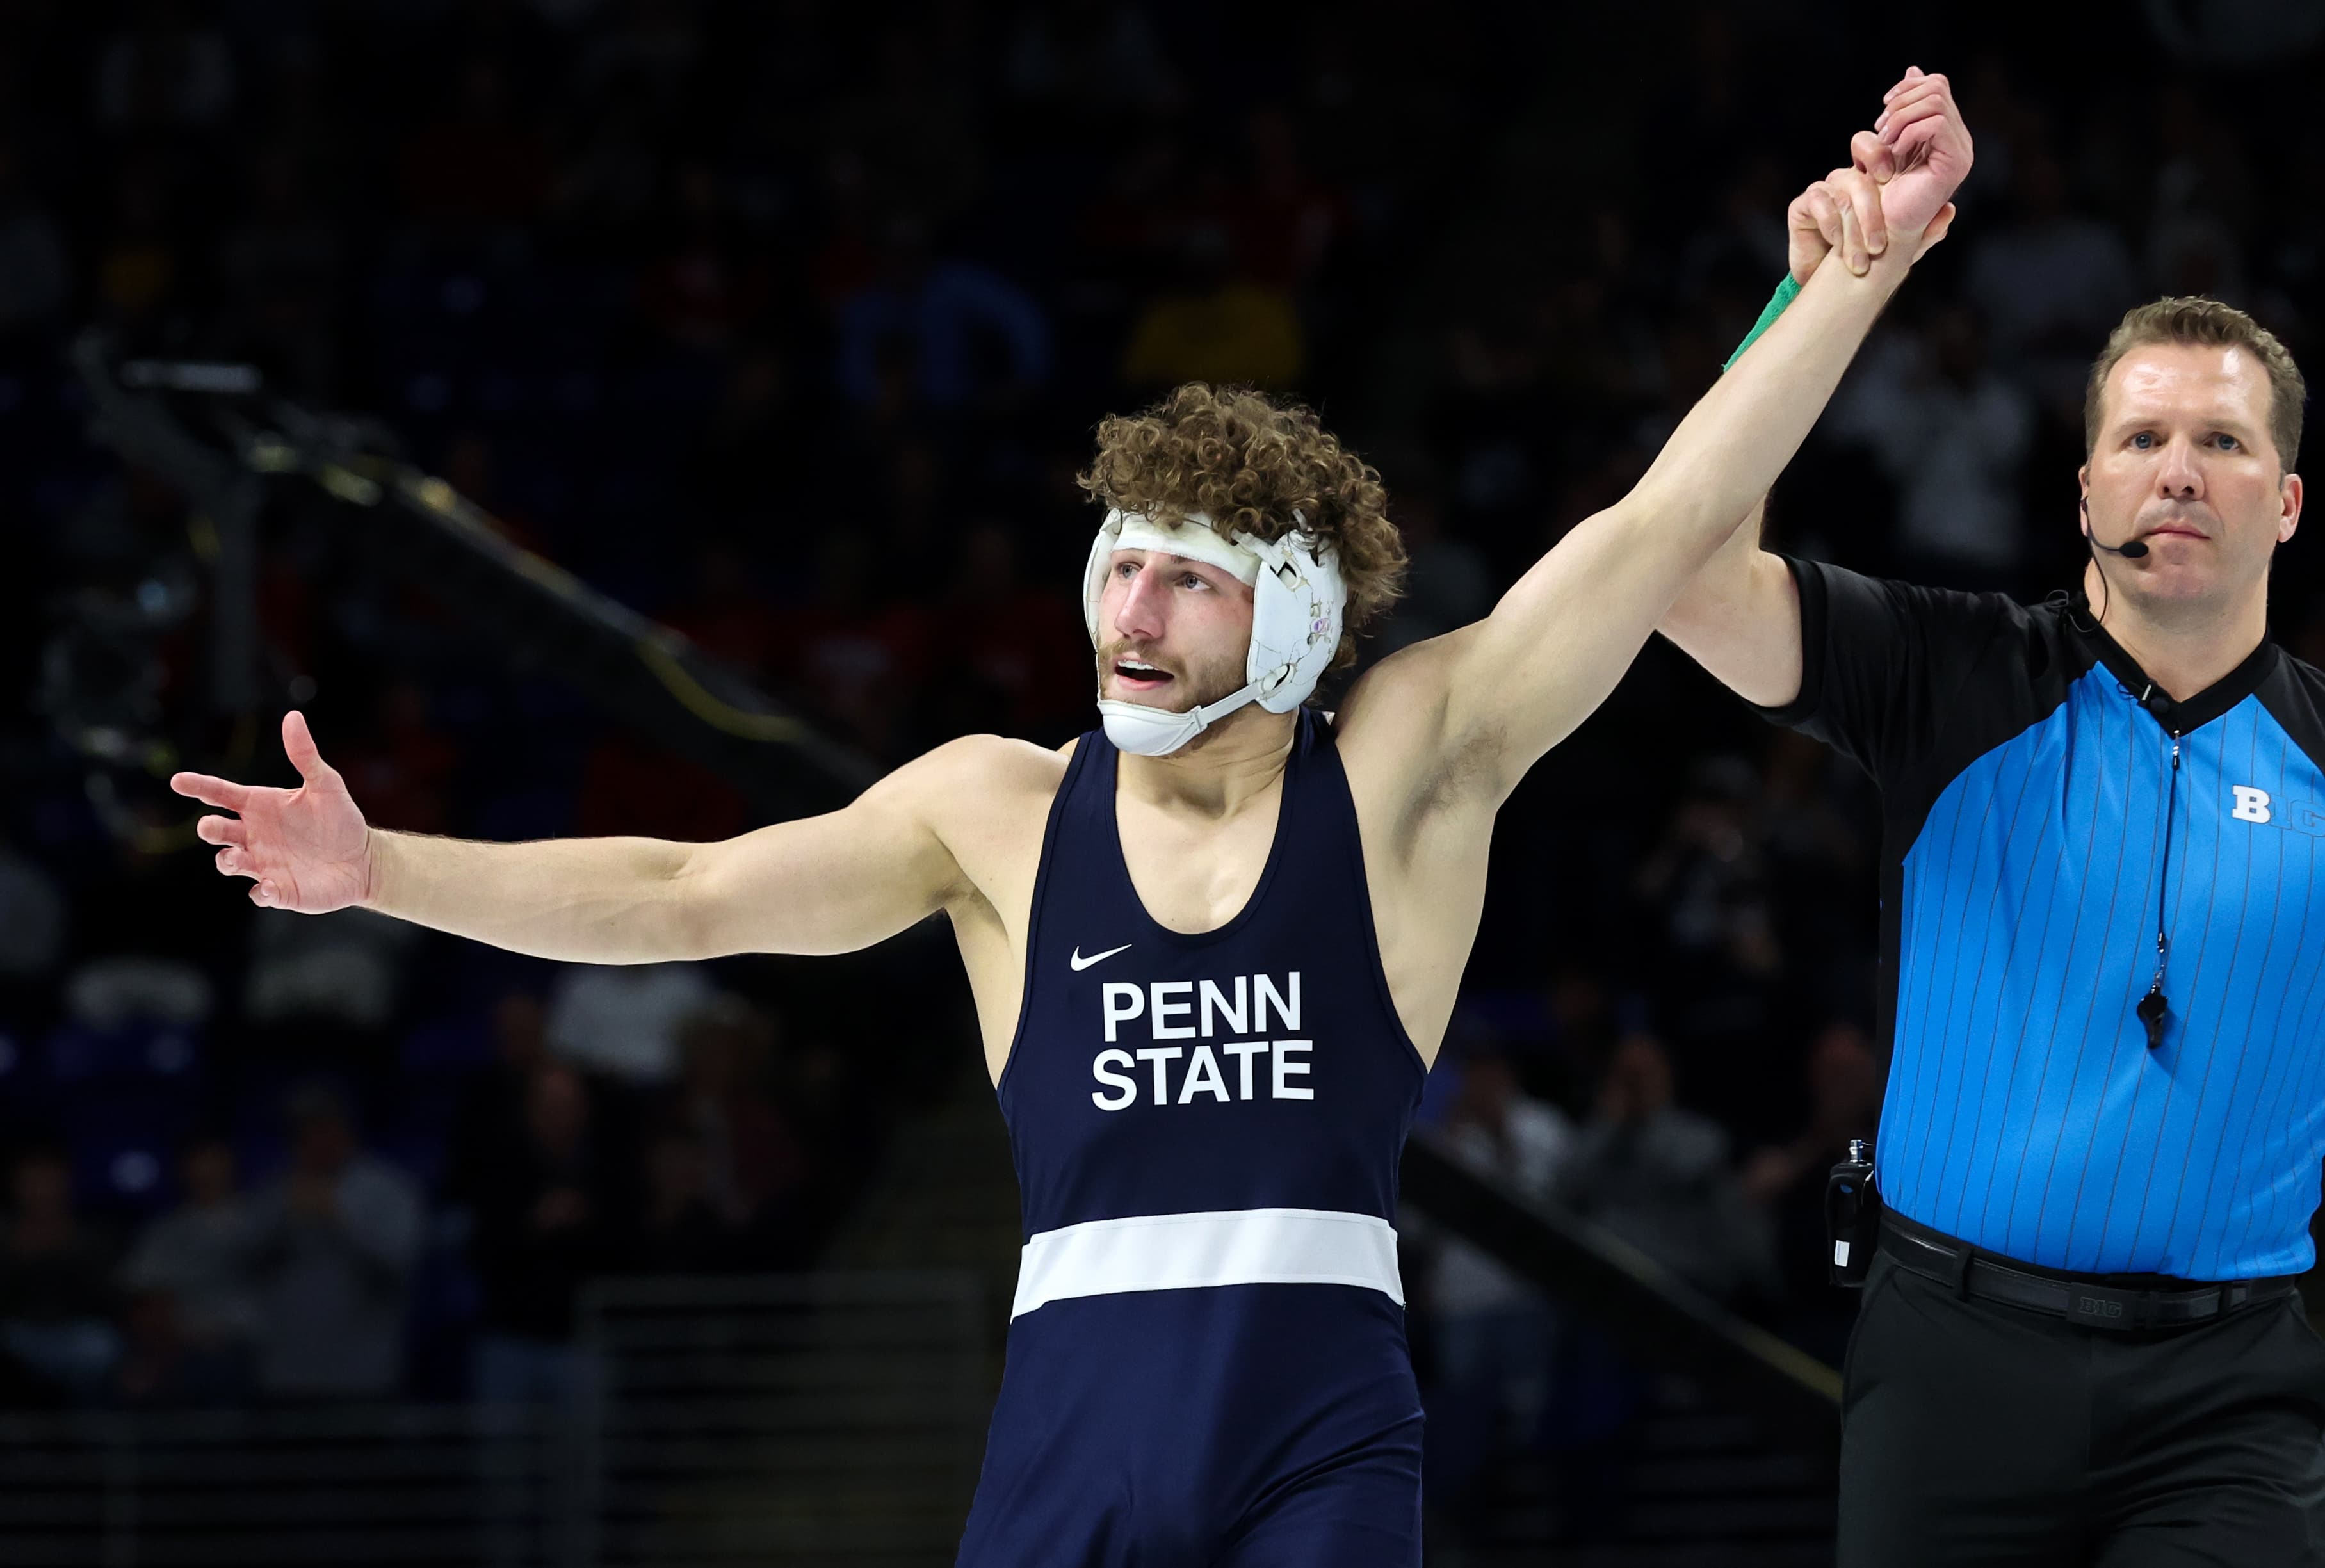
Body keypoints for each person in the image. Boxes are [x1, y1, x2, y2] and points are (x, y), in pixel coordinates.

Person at [169, 70, 1968, 1568]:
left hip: (1314, 1454)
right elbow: (682, 892)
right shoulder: (996, 812)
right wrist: (383, 869)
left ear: (1289, 615)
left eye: (1188, 583)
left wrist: (1850, 275)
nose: (1130, 615)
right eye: (1120, 570)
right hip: (1061, 1460)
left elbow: (1658, 525)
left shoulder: (1408, 757)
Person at [1658, 67, 2325, 1564]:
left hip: (2227, 1392)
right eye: (2141, 437)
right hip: (1945, 1356)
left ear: (2282, 500)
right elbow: (1683, 571)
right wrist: (1822, 293)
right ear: (2081, 479)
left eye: (2221, 443)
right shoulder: (1951, 675)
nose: (2176, 471)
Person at [245, 1082, 425, 1401]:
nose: (315, 1138)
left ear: (345, 1130)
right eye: (305, 1129)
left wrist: (339, 1219)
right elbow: (245, 1263)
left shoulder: (388, 1189)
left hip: (361, 1376)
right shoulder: (276, 1192)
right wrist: (284, 1220)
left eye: (324, 1126)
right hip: (286, 1376)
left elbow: (399, 1264)